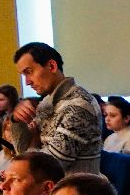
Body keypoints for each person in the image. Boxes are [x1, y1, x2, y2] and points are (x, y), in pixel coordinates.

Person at [12, 42, 102, 175]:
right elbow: (22, 151)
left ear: (52, 66)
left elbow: (50, 167)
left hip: (77, 191)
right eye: (23, 75)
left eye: (29, 72)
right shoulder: (46, 103)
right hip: (50, 188)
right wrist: (17, 121)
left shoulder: (78, 106)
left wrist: (34, 144)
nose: (27, 82)